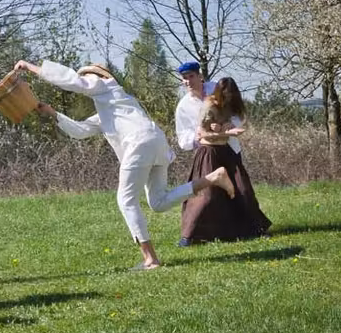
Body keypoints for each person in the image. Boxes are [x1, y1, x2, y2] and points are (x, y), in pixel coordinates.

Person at [14, 59, 236, 270]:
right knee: (158, 202)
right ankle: (213, 178)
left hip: (139, 143)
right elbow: (80, 131)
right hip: (155, 143)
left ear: (99, 76)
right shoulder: (111, 106)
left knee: (126, 200)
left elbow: (73, 81)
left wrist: (31, 67)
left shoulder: (105, 84)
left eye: (88, 77)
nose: (87, 82)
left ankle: (150, 259)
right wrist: (53, 113)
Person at [180, 77, 271, 243]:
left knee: (243, 190)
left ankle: (254, 229)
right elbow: (201, 135)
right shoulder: (209, 106)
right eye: (227, 95)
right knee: (206, 196)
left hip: (226, 151)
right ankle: (190, 236)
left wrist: (228, 126)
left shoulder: (229, 106)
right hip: (209, 153)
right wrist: (226, 133)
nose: (229, 99)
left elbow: (235, 120)